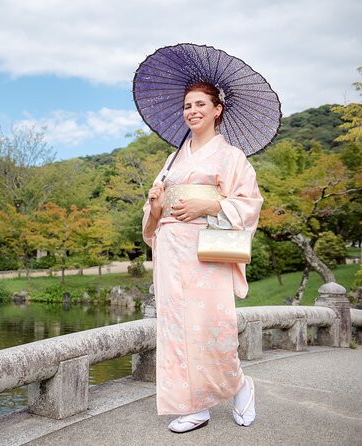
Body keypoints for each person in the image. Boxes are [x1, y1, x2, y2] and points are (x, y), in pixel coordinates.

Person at [142, 82, 263, 433]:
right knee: (174, 329)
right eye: (187, 106)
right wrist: (154, 205)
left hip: (205, 250)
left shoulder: (231, 157)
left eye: (199, 104)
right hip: (170, 250)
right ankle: (193, 406)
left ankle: (240, 385)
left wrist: (210, 204)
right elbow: (155, 215)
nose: (191, 111)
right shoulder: (172, 158)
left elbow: (250, 204)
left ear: (217, 109)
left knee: (212, 327)